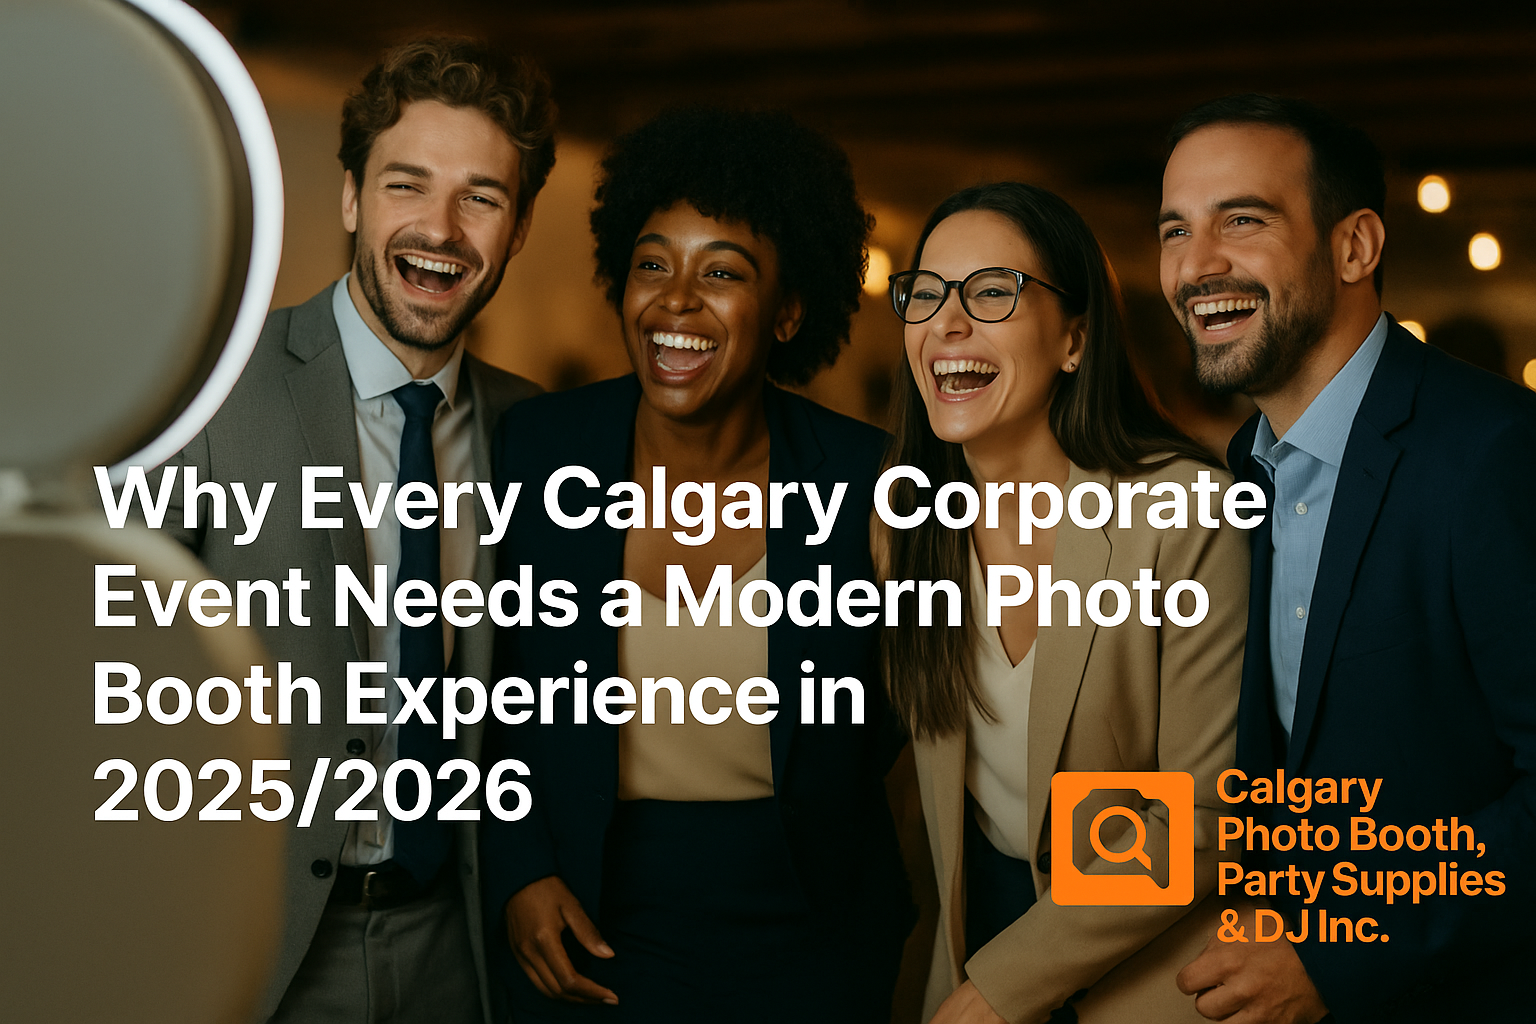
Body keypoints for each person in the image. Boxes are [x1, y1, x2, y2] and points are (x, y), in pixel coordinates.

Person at [150, 38, 554, 1024]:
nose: (442, 229)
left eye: (482, 198)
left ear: (519, 227)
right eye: (407, 185)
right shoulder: (209, 394)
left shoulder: (536, 432)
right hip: (263, 948)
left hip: (459, 944)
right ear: (350, 199)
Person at [480, 106, 913, 1023]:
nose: (676, 301)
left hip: (810, 932)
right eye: (651, 265)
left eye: (722, 273)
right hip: (590, 924)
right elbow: (489, 691)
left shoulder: (867, 478)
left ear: (790, 310)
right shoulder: (539, 450)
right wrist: (520, 870)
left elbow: (904, 719)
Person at [1162, 94, 1536, 1024]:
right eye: (1176, 230)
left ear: (1355, 247)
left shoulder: (1492, 452)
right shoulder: (1237, 473)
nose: (1197, 266)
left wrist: (1337, 956)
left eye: (1241, 221)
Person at [878, 182, 1249, 1024]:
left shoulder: (1182, 514)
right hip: (974, 944)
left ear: (1076, 339)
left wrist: (1006, 986)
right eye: (926, 294)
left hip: (1156, 982)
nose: (948, 322)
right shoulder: (903, 529)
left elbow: (1199, 814)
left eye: (993, 292)